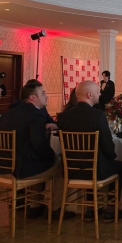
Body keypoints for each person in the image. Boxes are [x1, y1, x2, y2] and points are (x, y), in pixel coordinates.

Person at [0, 81, 75, 219]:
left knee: (38, 161)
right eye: (43, 93)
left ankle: (35, 206)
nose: (46, 96)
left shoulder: (8, 114)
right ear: (32, 98)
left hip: (4, 168)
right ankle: (55, 209)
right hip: (21, 170)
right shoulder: (36, 114)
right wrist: (52, 157)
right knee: (63, 165)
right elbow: (39, 144)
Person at [57, 81, 122, 223]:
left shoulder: (64, 116)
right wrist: (112, 157)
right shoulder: (98, 115)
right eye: (97, 91)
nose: (99, 94)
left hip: (70, 170)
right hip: (95, 170)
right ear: (89, 95)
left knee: (91, 161)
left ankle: (89, 209)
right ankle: (110, 209)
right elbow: (107, 146)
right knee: (121, 166)